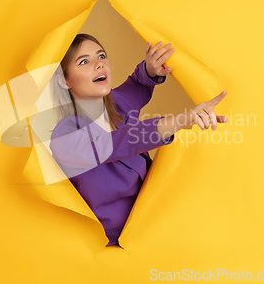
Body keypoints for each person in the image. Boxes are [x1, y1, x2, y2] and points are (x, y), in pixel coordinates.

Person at [49, 33, 228, 247]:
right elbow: (119, 142)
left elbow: (136, 85)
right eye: (84, 61)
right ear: (64, 79)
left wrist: (151, 70)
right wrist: (183, 120)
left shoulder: (115, 103)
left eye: (102, 56)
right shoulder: (65, 136)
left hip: (153, 223)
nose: (99, 65)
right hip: (110, 244)